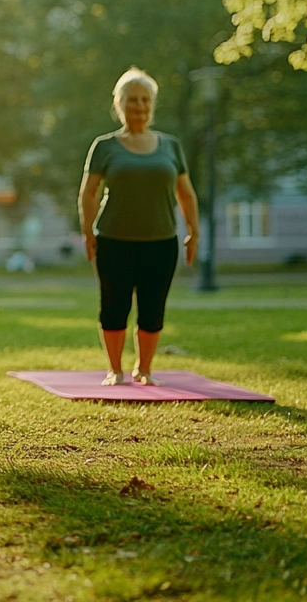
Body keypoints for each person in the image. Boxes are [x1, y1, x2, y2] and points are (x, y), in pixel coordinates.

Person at [78, 68, 199, 386]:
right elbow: (88, 193)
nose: (139, 105)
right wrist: (87, 232)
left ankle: (144, 369)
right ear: (119, 104)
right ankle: (115, 370)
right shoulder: (104, 146)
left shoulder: (170, 146)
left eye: (145, 99)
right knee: (114, 307)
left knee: (153, 308)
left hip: (160, 242)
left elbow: (185, 193)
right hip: (114, 241)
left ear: (152, 104)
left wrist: (193, 232)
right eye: (132, 99)